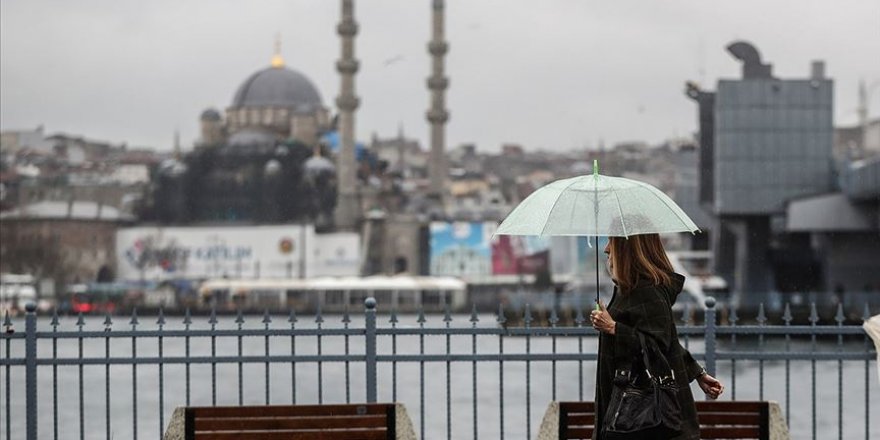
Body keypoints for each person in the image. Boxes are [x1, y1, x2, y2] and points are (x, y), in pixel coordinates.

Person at [590, 234, 724, 440]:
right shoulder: (631, 289)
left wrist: (614, 328)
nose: (607, 249)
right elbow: (666, 339)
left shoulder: (646, 291)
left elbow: (656, 346)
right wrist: (697, 372)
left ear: (629, 248)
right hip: (630, 411)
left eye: (612, 241)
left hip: (638, 414)